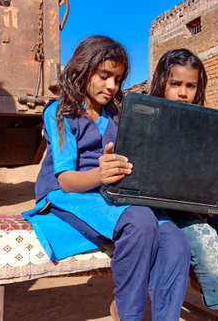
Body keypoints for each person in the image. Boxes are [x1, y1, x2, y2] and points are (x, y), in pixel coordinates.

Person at [22, 35, 190, 321]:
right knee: (140, 221)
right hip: (68, 194)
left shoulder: (116, 113)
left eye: (118, 79)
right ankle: (128, 312)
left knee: (175, 240)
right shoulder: (60, 112)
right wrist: (100, 175)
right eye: (104, 76)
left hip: (110, 196)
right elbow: (65, 180)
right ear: (83, 70)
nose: (112, 86)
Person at [150, 48, 218, 321]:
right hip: (172, 209)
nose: (183, 92)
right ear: (161, 83)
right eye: (175, 84)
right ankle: (214, 296)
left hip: (212, 204)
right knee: (204, 243)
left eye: (191, 85)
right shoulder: (148, 121)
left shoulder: (209, 123)